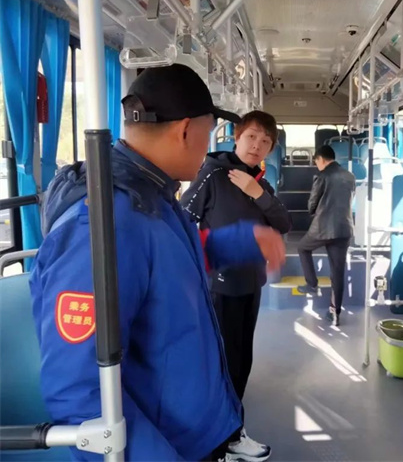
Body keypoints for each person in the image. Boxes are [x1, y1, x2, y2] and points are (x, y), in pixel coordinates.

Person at [30, 63, 286, 462]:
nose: (208, 145)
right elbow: (80, 393)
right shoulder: (105, 224)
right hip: (166, 447)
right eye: (208, 132)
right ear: (185, 130)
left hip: (189, 431)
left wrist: (242, 241)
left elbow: (174, 258)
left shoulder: (152, 195)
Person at [181, 110, 290, 462]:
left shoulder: (260, 182)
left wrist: (257, 192)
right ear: (236, 136)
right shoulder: (212, 174)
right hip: (219, 286)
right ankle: (220, 442)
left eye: (265, 141)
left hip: (250, 283)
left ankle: (231, 433)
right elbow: (183, 220)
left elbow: (283, 222)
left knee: (241, 362)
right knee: (221, 365)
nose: (257, 145)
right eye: (251, 137)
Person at [297, 145, 355, 326]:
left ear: (321, 159)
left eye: (316, 162)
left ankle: (312, 284)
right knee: (337, 272)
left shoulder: (322, 176)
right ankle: (334, 313)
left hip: (323, 228)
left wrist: (313, 212)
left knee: (303, 248)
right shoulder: (350, 176)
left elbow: (312, 203)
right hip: (344, 228)